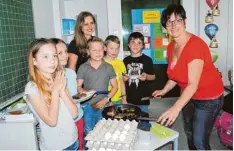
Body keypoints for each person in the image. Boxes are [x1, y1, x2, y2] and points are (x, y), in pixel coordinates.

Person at [152, 4, 224, 150]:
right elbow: (175, 75)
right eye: (169, 22)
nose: (173, 25)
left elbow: (193, 83)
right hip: (189, 96)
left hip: (209, 98)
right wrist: (164, 90)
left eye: (178, 20)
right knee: (189, 132)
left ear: (185, 21)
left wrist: (175, 108)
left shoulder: (195, 46)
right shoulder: (172, 46)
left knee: (199, 140)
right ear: (164, 26)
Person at [24, 38, 78, 150]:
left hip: (73, 140)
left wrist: (62, 91)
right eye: (45, 57)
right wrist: (55, 91)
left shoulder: (58, 79)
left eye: (54, 56)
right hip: (56, 146)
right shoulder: (32, 88)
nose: (52, 61)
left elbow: (74, 114)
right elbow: (52, 121)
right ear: (34, 61)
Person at [77, 36, 118, 135]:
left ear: (104, 49)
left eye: (100, 49)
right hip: (87, 105)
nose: (98, 52)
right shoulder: (83, 67)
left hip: (104, 105)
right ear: (88, 51)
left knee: (103, 131)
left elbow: (115, 87)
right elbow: (78, 87)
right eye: (94, 50)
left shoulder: (108, 67)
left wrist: (106, 99)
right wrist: (84, 92)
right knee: (89, 130)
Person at [50, 38, 84, 150]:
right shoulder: (50, 78)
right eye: (60, 53)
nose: (65, 55)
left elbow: (74, 95)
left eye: (66, 51)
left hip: (78, 116)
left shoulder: (71, 73)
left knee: (80, 145)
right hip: (65, 122)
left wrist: (82, 93)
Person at [123, 32, 155, 114]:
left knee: (144, 122)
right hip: (129, 99)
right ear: (129, 45)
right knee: (130, 123)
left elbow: (153, 77)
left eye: (139, 43)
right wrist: (124, 79)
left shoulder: (148, 60)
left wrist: (146, 76)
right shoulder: (125, 61)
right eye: (133, 42)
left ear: (143, 46)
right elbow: (122, 79)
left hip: (143, 99)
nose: (135, 45)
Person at [104, 35, 127, 105]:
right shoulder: (101, 63)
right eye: (111, 48)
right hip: (106, 99)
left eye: (117, 48)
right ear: (105, 48)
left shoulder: (120, 63)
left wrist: (124, 98)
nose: (114, 51)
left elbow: (122, 81)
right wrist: (108, 100)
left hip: (119, 99)